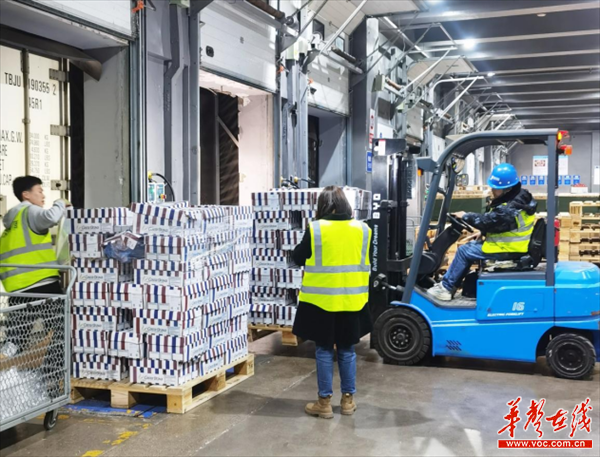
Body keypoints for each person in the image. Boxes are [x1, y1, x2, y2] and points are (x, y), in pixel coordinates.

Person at [291, 186, 372, 419]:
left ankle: (324, 403)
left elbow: (298, 257)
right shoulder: (363, 229)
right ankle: (348, 401)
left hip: (322, 302)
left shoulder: (317, 229)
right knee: (347, 349)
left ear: (322, 206)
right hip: (352, 300)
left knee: (324, 350)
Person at [428, 164, 537, 301]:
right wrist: (484, 232)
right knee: (470, 247)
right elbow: (500, 225)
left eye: (496, 188)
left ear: (507, 188)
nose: (492, 190)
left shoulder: (509, 208)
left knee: (464, 251)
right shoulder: (520, 199)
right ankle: (453, 284)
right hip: (513, 246)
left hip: (508, 249)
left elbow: (488, 220)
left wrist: (465, 216)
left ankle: (446, 288)